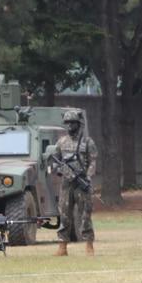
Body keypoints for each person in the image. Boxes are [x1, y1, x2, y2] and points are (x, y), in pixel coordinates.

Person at [53, 108, 96, 256]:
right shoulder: (61, 142)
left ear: (78, 124)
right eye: (67, 123)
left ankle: (89, 244)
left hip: (82, 183)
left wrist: (88, 177)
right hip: (66, 185)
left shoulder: (87, 142)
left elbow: (93, 162)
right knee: (64, 215)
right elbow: (55, 161)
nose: (70, 126)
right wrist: (61, 170)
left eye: (73, 123)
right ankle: (62, 246)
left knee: (85, 215)